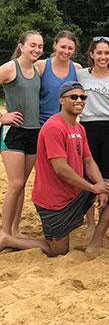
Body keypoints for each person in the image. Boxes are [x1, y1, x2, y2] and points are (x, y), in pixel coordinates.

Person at [0, 81, 109, 256]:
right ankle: (8, 239)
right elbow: (60, 169)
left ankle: (96, 241)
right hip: (53, 203)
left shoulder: (79, 127)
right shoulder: (54, 127)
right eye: (73, 97)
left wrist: (100, 186)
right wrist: (92, 188)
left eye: (83, 97)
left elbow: (89, 161)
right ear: (61, 100)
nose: (79, 100)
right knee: (57, 251)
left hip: (75, 193)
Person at [77, 37, 109, 235]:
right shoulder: (82, 75)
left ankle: (102, 222)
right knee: (88, 178)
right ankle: (89, 222)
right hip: (87, 128)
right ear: (91, 54)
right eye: (99, 53)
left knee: (106, 178)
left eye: (106, 53)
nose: (103, 57)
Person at [0, 30, 43, 239]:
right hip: (14, 132)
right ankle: (5, 232)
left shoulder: (37, 70)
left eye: (40, 46)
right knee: (15, 183)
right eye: (32, 45)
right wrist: (2, 117)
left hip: (33, 131)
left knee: (22, 184)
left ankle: (15, 230)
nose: (36, 49)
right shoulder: (10, 68)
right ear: (22, 46)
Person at [36, 30, 81, 125]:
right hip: (42, 125)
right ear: (55, 45)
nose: (66, 51)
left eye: (70, 48)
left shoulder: (77, 69)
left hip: (67, 127)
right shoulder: (41, 66)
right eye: (63, 47)